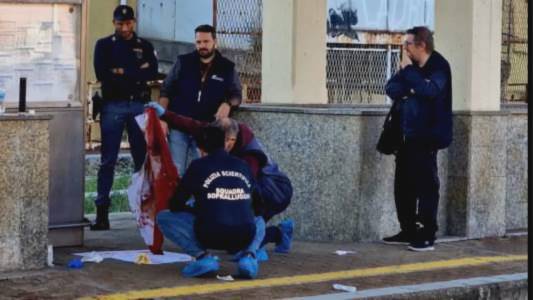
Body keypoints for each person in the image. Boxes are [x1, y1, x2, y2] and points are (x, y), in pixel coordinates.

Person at [146, 102, 294, 256]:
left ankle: (278, 233)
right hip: (254, 189)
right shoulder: (215, 133)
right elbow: (189, 124)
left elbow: (248, 191)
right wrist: (163, 114)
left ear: (232, 140)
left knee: (240, 239)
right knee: (234, 230)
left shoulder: (250, 157)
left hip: (273, 190)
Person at [156, 124, 264, 279]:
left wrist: (197, 210)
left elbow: (175, 204)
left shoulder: (198, 166)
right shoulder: (243, 165)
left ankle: (203, 258)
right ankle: (248, 257)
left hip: (209, 234)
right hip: (243, 235)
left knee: (163, 217)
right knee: (259, 221)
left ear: (200, 148)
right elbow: (259, 205)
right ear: (225, 142)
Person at [383, 26, 452, 251]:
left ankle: (427, 233)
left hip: (427, 136)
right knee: (403, 186)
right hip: (405, 136)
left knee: (426, 186)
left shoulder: (439, 67)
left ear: (421, 45)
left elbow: (430, 91)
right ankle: (408, 229)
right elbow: (391, 87)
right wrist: (413, 87)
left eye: (408, 44)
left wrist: (411, 81)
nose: (405, 49)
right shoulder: (411, 68)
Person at [91, 5, 158, 230]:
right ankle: (102, 213)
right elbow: (103, 74)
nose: (124, 28)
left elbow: (152, 72)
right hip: (113, 105)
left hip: (138, 105)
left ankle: (143, 213)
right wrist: (134, 71)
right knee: (108, 160)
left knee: (141, 160)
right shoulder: (103, 45)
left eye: (128, 23)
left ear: (134, 22)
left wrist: (121, 71)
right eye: (120, 24)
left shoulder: (144, 46)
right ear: (114, 23)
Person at [158, 24, 242, 176]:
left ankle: (200, 201)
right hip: (178, 126)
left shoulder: (226, 67)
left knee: (205, 173)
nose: (202, 46)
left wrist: (228, 103)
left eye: (206, 41)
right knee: (176, 172)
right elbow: (166, 89)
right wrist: (162, 117)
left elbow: (237, 94)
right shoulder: (183, 62)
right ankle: (177, 200)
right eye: (198, 42)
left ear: (214, 42)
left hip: (206, 129)